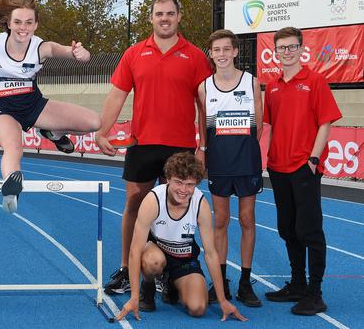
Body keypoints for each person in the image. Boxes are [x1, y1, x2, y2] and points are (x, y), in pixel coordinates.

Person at [95, 0, 211, 295]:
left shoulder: (195, 56)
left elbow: (204, 105)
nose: (165, 18)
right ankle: (126, 267)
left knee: (177, 207)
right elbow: (116, 95)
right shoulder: (134, 53)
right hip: (142, 143)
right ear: (151, 18)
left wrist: (203, 147)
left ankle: (166, 270)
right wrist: (101, 131)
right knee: (134, 205)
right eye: (159, 13)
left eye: (170, 13)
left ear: (178, 17)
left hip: (181, 146)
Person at [0, 0, 101, 213]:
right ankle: (11, 186)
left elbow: (68, 52)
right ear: (8, 22)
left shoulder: (41, 48)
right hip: (0, 110)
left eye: (29, 22)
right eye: (18, 22)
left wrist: (80, 53)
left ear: (36, 25)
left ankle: (53, 132)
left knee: (94, 122)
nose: (23, 28)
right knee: (13, 146)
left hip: (33, 106)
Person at [263, 27, 341, 315]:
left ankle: (315, 293)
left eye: (292, 47)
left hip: (303, 167)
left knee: (309, 230)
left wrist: (313, 159)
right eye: (282, 48)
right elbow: (270, 125)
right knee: (287, 229)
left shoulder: (316, 81)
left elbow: (326, 123)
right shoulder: (271, 86)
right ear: (275, 51)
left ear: (301, 49)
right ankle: (297, 284)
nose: (287, 52)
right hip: (278, 167)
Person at [115, 152, 246, 322]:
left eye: (189, 184)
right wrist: (132, 297)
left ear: (197, 184)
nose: (183, 190)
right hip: (156, 252)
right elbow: (135, 250)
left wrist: (222, 300)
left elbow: (211, 253)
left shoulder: (201, 204)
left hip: (183, 258)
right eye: (178, 182)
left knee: (198, 308)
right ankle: (147, 287)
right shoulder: (153, 200)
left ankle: (171, 284)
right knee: (153, 261)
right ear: (168, 179)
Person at [197, 29, 263, 307]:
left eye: (227, 49)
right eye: (217, 50)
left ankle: (246, 283)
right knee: (220, 221)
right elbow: (203, 125)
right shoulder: (204, 87)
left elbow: (257, 126)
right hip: (220, 162)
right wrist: (204, 150)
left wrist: (244, 148)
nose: (222, 54)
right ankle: (220, 280)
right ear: (210, 54)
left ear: (236, 52)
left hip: (246, 161)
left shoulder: (251, 82)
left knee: (247, 219)